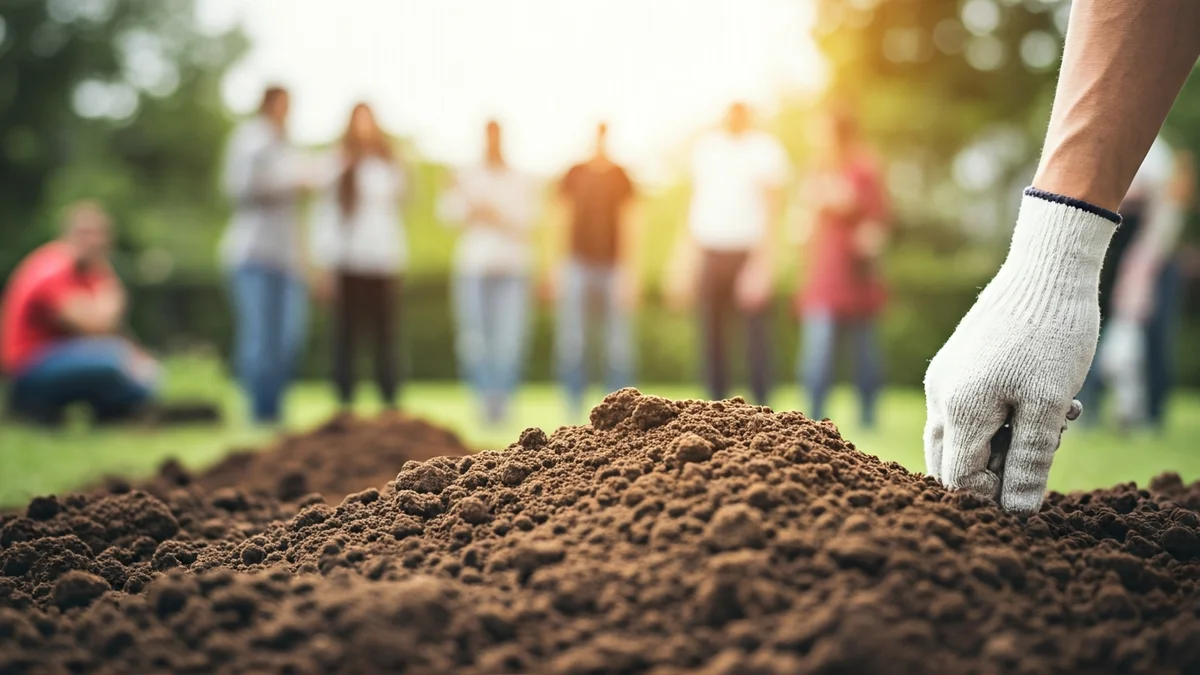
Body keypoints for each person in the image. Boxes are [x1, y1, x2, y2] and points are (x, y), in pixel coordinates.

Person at [924, 0, 1200, 514]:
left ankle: (1147, 411)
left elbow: (1168, 209)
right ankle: (1096, 410)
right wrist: (1049, 266)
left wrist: (1061, 271)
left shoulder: (1160, 160)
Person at [664, 102, 789, 405]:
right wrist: (683, 262)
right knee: (711, 337)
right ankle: (715, 407)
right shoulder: (707, 149)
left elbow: (772, 210)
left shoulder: (765, 150)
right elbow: (695, 206)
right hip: (710, 250)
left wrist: (762, 265)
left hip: (747, 251)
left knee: (756, 340)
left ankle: (763, 408)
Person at [2, 203, 164, 425]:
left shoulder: (88, 271)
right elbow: (97, 326)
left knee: (148, 372)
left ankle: (110, 413)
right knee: (114, 360)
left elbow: (113, 330)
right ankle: (29, 409)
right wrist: (111, 285)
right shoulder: (52, 269)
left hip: (66, 357)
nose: (95, 241)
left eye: (101, 234)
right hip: (29, 368)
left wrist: (138, 356)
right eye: (86, 233)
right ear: (67, 234)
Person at [219, 85, 312, 426]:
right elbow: (238, 188)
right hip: (253, 255)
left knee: (287, 340)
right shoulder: (250, 139)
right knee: (259, 338)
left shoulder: (290, 146)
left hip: (287, 259)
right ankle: (257, 414)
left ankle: (275, 413)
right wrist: (288, 182)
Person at [437, 120, 538, 426]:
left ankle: (502, 404)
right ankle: (483, 404)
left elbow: (526, 218)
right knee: (474, 341)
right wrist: (472, 203)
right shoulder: (466, 175)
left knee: (509, 341)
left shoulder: (520, 178)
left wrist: (487, 208)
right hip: (474, 268)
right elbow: (449, 215)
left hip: (512, 267)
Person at [310, 103, 409, 410]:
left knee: (385, 335)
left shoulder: (389, 164)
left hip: (383, 261)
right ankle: (345, 400)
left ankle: (389, 400)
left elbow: (396, 211)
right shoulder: (337, 162)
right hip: (348, 261)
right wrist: (325, 264)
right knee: (346, 335)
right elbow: (327, 215)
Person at [796, 105, 889, 428]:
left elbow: (873, 215)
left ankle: (867, 416)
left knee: (864, 352)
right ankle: (813, 415)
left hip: (855, 274)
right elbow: (805, 216)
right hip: (823, 274)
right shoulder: (817, 169)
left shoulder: (863, 168)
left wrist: (835, 199)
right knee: (817, 350)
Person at [1085, 136, 1185, 430]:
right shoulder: (1102, 145)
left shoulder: (1157, 154)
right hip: (1111, 248)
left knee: (1154, 334)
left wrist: (1143, 267)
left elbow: (1166, 212)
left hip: (1153, 255)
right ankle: (1088, 408)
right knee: (1093, 327)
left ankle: (1151, 414)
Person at [547, 123, 640, 420]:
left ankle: (622, 411)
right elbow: (560, 218)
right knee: (572, 340)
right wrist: (555, 265)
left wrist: (629, 271)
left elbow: (630, 222)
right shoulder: (574, 174)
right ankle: (572, 407)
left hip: (613, 266)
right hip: (577, 264)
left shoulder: (620, 175)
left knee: (618, 344)